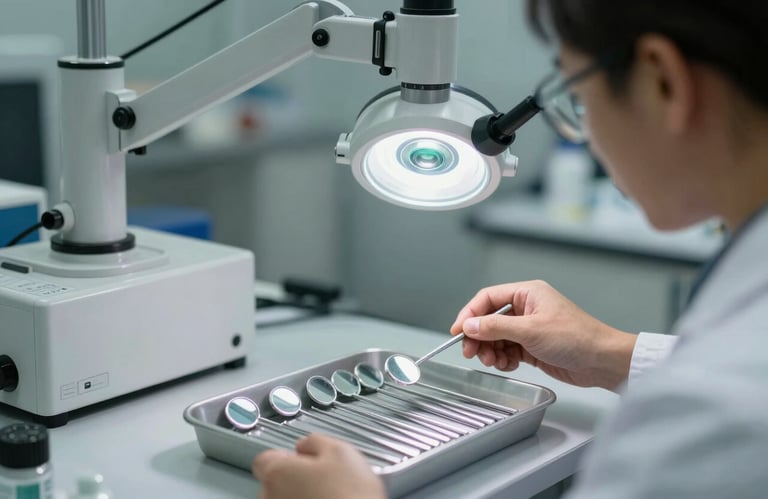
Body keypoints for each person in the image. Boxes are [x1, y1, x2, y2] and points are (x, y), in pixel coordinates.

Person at [252, 1, 768, 497]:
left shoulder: (716, 411)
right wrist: (609, 353)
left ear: (662, 82)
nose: (585, 131)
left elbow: (727, 388)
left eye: (579, 100)